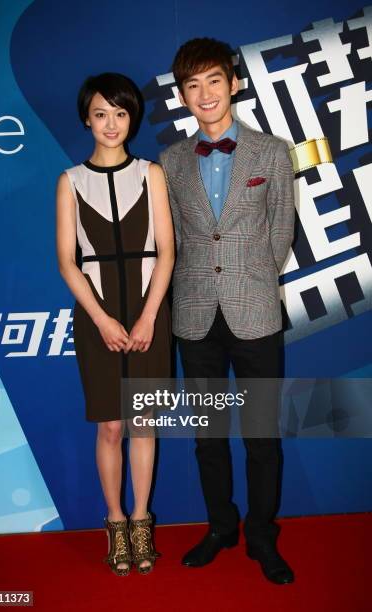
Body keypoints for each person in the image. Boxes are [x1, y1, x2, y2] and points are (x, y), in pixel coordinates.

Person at [159, 38, 295, 584]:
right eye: (192, 85)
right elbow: (172, 241)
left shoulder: (272, 152)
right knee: (207, 436)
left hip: (255, 313)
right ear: (183, 96)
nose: (205, 93)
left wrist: (251, 282)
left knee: (262, 435)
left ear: (233, 83)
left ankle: (262, 534)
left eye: (213, 80)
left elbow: (280, 233)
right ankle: (221, 526)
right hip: (194, 317)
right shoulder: (169, 162)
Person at [56, 73, 174, 576]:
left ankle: (143, 520)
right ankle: (115, 520)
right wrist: (103, 319)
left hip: (149, 314)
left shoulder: (151, 174)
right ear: (87, 118)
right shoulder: (69, 182)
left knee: (143, 423)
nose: (111, 123)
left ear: (133, 119)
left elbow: (167, 251)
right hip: (97, 317)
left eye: (121, 113)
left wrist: (148, 316)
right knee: (111, 426)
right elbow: (67, 261)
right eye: (101, 113)